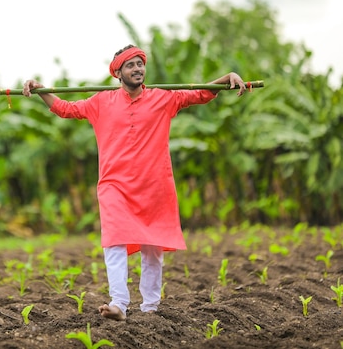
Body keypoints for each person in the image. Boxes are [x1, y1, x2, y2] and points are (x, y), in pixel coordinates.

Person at [22, 44, 247, 320]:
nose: (138, 68)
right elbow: (66, 109)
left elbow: (199, 94)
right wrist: (41, 90)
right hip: (114, 185)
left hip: (155, 186)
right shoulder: (100, 102)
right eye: (130, 65)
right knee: (114, 240)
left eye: (140, 63)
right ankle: (119, 302)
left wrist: (227, 78)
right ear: (118, 72)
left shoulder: (163, 98)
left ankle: (150, 307)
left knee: (153, 248)